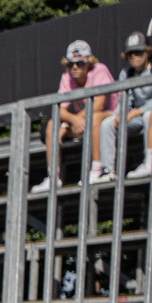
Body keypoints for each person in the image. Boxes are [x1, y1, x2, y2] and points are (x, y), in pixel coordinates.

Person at [33, 41, 114, 193]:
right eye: (70, 64)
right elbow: (59, 110)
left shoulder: (100, 70)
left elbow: (98, 105)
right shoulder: (66, 78)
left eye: (80, 63)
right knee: (51, 126)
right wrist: (72, 121)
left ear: (89, 62)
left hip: (110, 115)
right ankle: (53, 176)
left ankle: (97, 169)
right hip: (82, 122)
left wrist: (71, 122)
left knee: (95, 118)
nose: (75, 67)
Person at [97, 33, 152, 181]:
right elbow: (125, 101)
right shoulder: (126, 73)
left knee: (148, 116)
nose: (133, 56)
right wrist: (120, 114)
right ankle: (107, 170)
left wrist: (137, 111)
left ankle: (150, 163)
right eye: (130, 54)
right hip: (136, 117)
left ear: (147, 52)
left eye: (138, 52)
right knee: (107, 124)